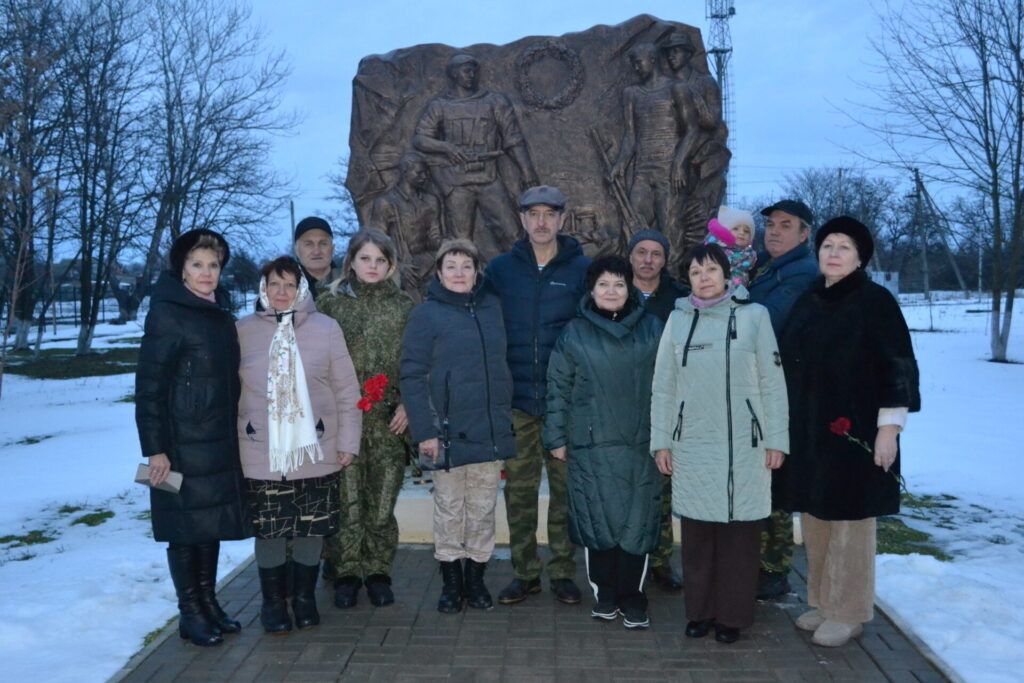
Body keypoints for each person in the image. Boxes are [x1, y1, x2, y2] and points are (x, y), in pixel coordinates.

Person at [776, 216, 920, 647]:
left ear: (859, 259)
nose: (833, 253)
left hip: (854, 431)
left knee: (851, 522)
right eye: (827, 246)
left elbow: (898, 366)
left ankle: (850, 611)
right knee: (817, 517)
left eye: (843, 247)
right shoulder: (810, 299)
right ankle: (822, 600)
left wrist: (889, 429)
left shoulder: (875, 301)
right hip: (810, 431)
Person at [651, 243, 788, 644]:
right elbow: (663, 386)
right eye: (696, 272)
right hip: (692, 442)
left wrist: (776, 439)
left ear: (727, 275)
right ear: (688, 279)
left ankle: (732, 616)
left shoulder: (754, 317)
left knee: (739, 536)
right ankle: (700, 612)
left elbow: (772, 383)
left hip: (744, 446)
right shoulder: (677, 321)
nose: (704, 277)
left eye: (711, 269)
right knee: (698, 536)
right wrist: (662, 441)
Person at [135, 228, 249, 647]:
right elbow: (149, 387)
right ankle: (190, 612)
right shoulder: (167, 312)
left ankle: (208, 603)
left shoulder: (218, 313)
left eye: (213, 265)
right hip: (177, 449)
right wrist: (154, 451)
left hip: (217, 443)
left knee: (209, 526)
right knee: (184, 531)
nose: (206, 273)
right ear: (182, 269)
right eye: (197, 265)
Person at [235, 256, 362, 633]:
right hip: (260, 450)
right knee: (270, 528)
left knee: (312, 526)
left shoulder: (326, 328)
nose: (281, 292)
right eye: (274, 284)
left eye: (290, 285)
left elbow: (346, 389)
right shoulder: (242, 330)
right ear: (263, 289)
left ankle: (304, 598)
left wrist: (348, 443)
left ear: (302, 289)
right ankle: (274, 603)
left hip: (317, 448)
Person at [543, 256, 665, 629]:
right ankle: (606, 594)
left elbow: (669, 385)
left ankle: (633, 596)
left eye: (619, 284)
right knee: (598, 520)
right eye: (603, 285)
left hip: (640, 443)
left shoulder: (654, 329)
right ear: (591, 290)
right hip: (590, 444)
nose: (611, 292)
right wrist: (556, 437)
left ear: (630, 289)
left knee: (635, 523)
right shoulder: (574, 333)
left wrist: (668, 439)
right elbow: (558, 389)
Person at [485, 185, 591, 606]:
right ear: (523, 220)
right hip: (518, 402)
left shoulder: (583, 269)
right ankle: (525, 572)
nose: (542, 222)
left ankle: (563, 571)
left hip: (564, 401)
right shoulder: (500, 270)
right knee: (520, 493)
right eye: (534, 214)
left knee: (566, 492)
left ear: (563, 220)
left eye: (550, 214)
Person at [400, 239, 516, 613]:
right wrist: (425, 432)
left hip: (488, 430)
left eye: (467, 265)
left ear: (477, 271)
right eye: (451, 266)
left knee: (482, 509)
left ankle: (476, 580)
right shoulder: (425, 315)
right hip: (445, 433)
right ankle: (451, 582)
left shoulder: (492, 309)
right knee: (450, 510)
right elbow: (413, 375)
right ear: (439, 272)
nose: (459, 273)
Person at [317, 230, 414, 608]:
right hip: (344, 421)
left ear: (390, 265)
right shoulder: (331, 304)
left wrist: (408, 403)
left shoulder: (404, 306)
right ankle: (346, 572)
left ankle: (377, 571)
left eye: (380, 260)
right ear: (351, 262)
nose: (372, 266)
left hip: (389, 420)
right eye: (365, 259)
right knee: (348, 499)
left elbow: (417, 362)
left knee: (382, 500)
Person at [747, 199, 818, 600]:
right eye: (770, 224)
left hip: (782, 393)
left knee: (775, 481)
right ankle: (759, 563)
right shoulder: (766, 267)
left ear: (804, 233)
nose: (773, 231)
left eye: (785, 225)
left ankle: (774, 568)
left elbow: (764, 320)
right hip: (759, 388)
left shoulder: (801, 273)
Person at [413, 52, 539, 259]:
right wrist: (447, 148)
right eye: (466, 71)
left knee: (512, 233)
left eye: (474, 71)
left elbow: (513, 138)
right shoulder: (439, 106)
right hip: (456, 182)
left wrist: (527, 171)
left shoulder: (494, 101)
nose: (471, 75)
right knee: (460, 243)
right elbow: (420, 139)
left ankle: (523, 277)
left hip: (488, 178)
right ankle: (463, 286)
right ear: (454, 74)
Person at [626, 229, 688, 592]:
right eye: (641, 252)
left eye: (656, 254)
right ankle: (632, 558)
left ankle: (662, 561)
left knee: (663, 488)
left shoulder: (680, 298)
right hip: (624, 403)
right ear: (630, 256)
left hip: (668, 404)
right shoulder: (615, 293)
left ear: (665, 260)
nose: (648, 260)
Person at [705, 206, 757, 287]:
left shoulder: (750, 255)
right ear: (725, 231)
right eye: (736, 229)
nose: (742, 233)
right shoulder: (713, 250)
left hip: (739, 295)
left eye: (746, 231)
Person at [293, 216, 339, 296]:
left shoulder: (350, 284)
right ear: (297, 250)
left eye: (323, 243)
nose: (316, 251)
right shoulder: (284, 290)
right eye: (308, 244)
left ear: (333, 249)